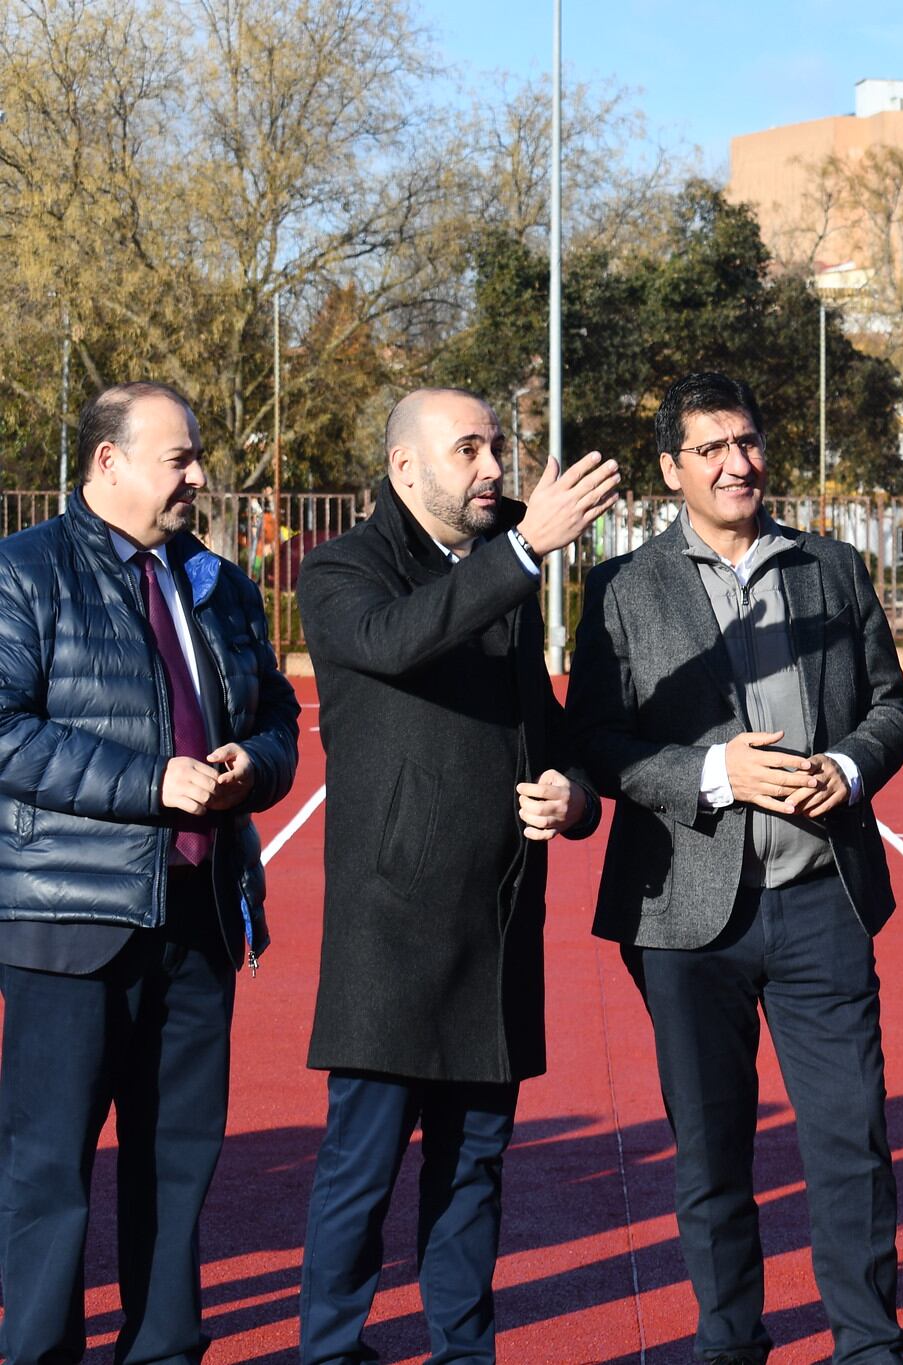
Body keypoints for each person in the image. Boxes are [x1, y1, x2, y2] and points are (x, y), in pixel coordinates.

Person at [566, 371, 903, 1365]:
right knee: (710, 1152)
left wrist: (846, 771)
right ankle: (730, 1343)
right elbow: (594, 738)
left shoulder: (833, 570)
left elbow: (889, 710)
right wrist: (715, 773)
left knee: (851, 1143)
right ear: (673, 469)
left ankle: (867, 1348)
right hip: (685, 915)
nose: (738, 463)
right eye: (712, 448)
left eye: (749, 442)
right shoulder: (623, 589)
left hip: (823, 902)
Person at [294, 388, 618, 1363]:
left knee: (474, 1169)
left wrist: (574, 793)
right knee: (361, 1171)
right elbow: (398, 640)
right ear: (405, 469)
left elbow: (553, 735)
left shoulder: (497, 567)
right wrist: (522, 557)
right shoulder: (341, 570)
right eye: (466, 449)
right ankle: (329, 1348)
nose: (491, 468)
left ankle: (464, 1349)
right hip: (390, 931)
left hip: (497, 923)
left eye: (496, 447)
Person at [0, 381, 300, 1363]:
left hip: (197, 917)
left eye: (196, 456)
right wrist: (147, 783)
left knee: (178, 1164)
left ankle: (165, 1349)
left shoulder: (215, 581)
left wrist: (253, 764)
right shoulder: (24, 573)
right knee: (48, 1167)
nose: (198, 477)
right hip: (69, 922)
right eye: (180, 459)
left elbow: (276, 722)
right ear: (108, 462)